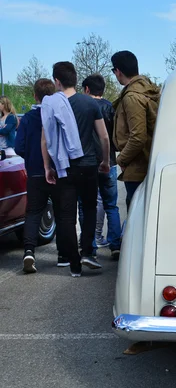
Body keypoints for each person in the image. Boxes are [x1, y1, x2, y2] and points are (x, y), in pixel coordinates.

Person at [41, 61, 110, 277]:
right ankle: (88, 251)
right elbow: (104, 136)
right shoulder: (90, 104)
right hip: (88, 165)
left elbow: (45, 140)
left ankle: (74, 265)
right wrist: (106, 161)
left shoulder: (52, 105)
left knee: (66, 216)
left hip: (64, 167)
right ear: (74, 78)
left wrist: (47, 167)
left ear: (57, 81)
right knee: (89, 209)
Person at [14, 79, 57, 273]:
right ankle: (65, 254)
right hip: (57, 172)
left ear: (35, 95)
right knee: (63, 214)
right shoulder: (56, 115)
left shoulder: (28, 118)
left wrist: (31, 157)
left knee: (32, 213)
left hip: (34, 172)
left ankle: (29, 251)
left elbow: (19, 147)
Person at [111, 50, 161, 211]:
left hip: (137, 167)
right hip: (146, 162)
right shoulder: (148, 90)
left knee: (135, 211)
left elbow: (138, 137)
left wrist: (122, 160)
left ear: (118, 71)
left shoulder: (132, 97)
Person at [81, 74, 122, 259]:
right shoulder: (110, 108)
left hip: (88, 162)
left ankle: (89, 246)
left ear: (87, 89)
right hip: (109, 161)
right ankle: (115, 245)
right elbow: (115, 135)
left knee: (87, 205)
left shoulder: (83, 107)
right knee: (111, 205)